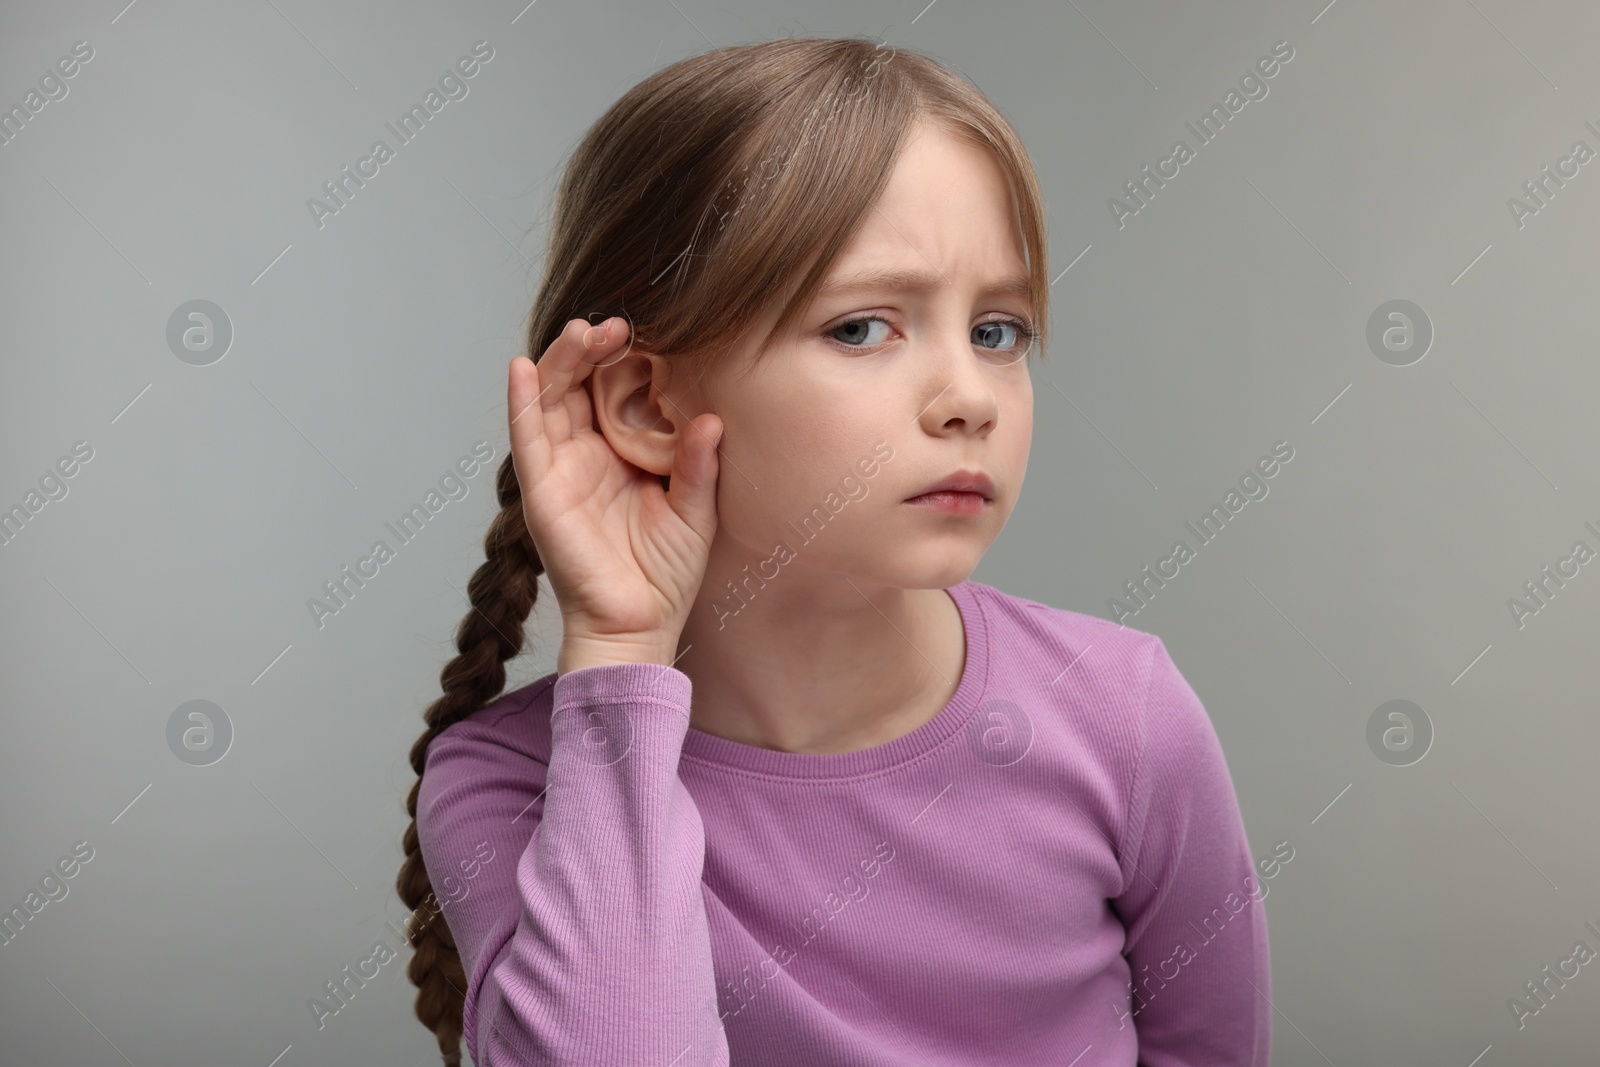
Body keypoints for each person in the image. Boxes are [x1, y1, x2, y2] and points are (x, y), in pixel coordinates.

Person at [396, 35, 1270, 1066]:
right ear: (644, 401)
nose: (968, 398)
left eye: (997, 330)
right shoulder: (510, 784)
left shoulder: (1125, 716)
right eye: (861, 328)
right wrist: (621, 648)